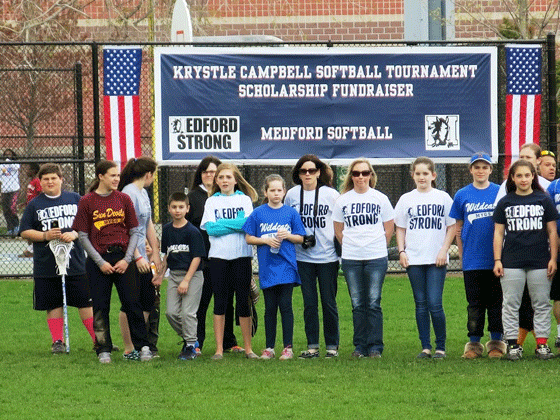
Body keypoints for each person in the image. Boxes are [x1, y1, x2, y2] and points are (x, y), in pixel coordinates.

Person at [72, 160, 152, 363]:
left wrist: (127, 259)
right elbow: (82, 235)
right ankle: (103, 349)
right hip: (99, 261)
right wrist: (99, 262)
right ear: (101, 176)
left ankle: (142, 347)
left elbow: (134, 231)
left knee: (132, 303)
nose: (117, 178)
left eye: (118, 175)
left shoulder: (124, 199)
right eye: (112, 175)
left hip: (123, 258)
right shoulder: (87, 201)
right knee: (100, 305)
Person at [19, 163, 96, 353]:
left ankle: (98, 340)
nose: (50, 182)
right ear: (40, 182)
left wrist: (75, 234)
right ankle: (58, 342)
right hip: (47, 263)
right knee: (53, 303)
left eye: (54, 178)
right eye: (46, 179)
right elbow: (24, 231)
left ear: (61, 179)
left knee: (85, 302)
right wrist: (45, 236)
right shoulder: (34, 204)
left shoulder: (75, 199)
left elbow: (88, 223)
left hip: (75, 262)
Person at [493, 159, 558, 360]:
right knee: (511, 303)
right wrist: (497, 260)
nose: (523, 179)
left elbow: (552, 232)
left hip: (540, 260)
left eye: (527, 175)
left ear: (533, 177)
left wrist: (553, 258)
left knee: (541, 303)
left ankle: (542, 344)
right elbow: (498, 233)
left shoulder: (544, 199)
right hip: (512, 261)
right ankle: (513, 345)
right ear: (512, 178)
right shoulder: (505, 202)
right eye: (519, 175)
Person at [395, 157, 456, 359]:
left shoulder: (443, 198)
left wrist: (444, 250)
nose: (422, 177)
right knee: (420, 303)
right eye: (418, 173)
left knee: (434, 303)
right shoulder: (406, 199)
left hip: (436, 259)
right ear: (413, 175)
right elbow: (401, 228)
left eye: (425, 173)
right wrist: (402, 251)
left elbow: (451, 226)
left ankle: (440, 347)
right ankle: (425, 347)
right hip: (414, 259)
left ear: (433, 175)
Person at [333, 159, 394, 358]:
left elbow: (389, 228)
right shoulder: (342, 200)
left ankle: (375, 347)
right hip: (351, 258)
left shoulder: (380, 198)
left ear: (371, 175)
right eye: (357, 173)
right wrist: (352, 245)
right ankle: (359, 346)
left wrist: (376, 246)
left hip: (376, 256)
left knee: (374, 302)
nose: (361, 177)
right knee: (358, 304)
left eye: (365, 173)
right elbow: (338, 230)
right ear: (351, 176)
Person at [200, 163, 259, 359]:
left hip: (241, 256)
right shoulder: (211, 202)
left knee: (243, 301)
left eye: (228, 177)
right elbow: (211, 229)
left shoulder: (244, 199)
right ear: (216, 181)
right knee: (220, 302)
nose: (225, 180)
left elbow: (247, 225)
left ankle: (248, 348)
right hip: (218, 258)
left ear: (235, 180)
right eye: (221, 177)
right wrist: (235, 224)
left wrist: (223, 224)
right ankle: (219, 349)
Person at [285, 155, 341, 359]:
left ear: (319, 172)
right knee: (309, 303)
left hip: (327, 257)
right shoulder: (291, 195)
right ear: (298, 174)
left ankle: (332, 346)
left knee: (328, 302)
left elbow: (339, 223)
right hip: (302, 257)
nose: (307, 174)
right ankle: (312, 346)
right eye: (303, 171)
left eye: (311, 170)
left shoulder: (331, 194)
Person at [244, 174, 306, 360]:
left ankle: (288, 347)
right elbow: (248, 237)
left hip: (286, 265)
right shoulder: (258, 213)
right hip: (268, 267)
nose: (276, 193)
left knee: (286, 306)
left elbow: (301, 238)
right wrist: (265, 240)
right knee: (270, 307)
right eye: (272, 190)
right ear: (266, 192)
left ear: (284, 192)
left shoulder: (290, 213)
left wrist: (287, 235)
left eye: (279, 190)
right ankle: (269, 347)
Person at [450, 152, 505, 359]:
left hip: (495, 259)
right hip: (473, 260)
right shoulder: (462, 194)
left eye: (484, 167)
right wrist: (463, 256)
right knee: (474, 304)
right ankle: (473, 344)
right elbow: (458, 229)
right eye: (477, 167)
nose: (480, 171)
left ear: (490, 170)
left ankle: (496, 344)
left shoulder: (500, 192)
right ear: (471, 170)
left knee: (495, 303)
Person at [186, 156, 242, 355]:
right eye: (206, 172)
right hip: (202, 259)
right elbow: (199, 228)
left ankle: (229, 341)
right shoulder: (194, 197)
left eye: (214, 172)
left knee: (227, 301)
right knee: (201, 303)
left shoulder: (233, 197)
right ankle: (197, 342)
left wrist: (220, 227)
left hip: (224, 256)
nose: (210, 175)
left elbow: (242, 223)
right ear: (201, 175)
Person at [117, 157, 162, 358]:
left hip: (145, 256)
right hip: (132, 257)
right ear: (148, 174)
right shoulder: (128, 194)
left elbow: (148, 224)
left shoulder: (143, 193)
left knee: (148, 300)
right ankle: (129, 347)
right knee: (130, 302)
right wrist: (136, 256)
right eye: (154, 173)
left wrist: (155, 252)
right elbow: (126, 228)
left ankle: (139, 343)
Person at [153, 192, 206, 360]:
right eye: (174, 207)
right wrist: (161, 275)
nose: (177, 210)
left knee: (188, 313)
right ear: (168, 209)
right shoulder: (167, 229)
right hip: (174, 276)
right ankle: (192, 340)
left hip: (192, 275)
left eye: (181, 207)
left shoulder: (193, 231)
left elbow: (197, 258)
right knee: (171, 313)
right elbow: (167, 255)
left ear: (187, 209)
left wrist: (186, 281)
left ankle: (190, 346)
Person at [19, 163, 42, 258]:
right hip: (30, 208)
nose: (26, 171)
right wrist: (25, 203)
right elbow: (32, 196)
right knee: (27, 229)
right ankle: (32, 249)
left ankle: (32, 250)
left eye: (28, 169)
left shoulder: (37, 181)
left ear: (34, 171)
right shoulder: (32, 181)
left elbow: (40, 193)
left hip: (36, 209)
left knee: (30, 230)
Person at [0, 149, 20, 236]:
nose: (7, 156)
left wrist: (8, 161)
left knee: (12, 208)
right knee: (6, 210)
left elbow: (17, 167)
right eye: (6, 154)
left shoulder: (15, 163)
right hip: (5, 190)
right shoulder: (1, 165)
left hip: (14, 189)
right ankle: (10, 228)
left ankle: (16, 226)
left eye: (9, 154)